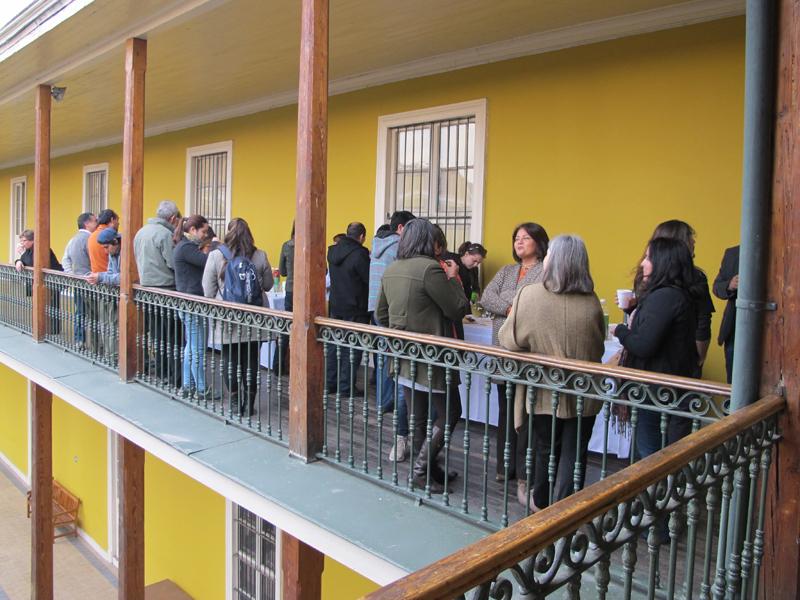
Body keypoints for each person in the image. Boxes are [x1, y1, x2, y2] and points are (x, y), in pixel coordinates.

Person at [498, 235, 605, 510]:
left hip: (544, 389)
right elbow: (598, 345)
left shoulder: (530, 295)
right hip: (584, 390)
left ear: (553, 261)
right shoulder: (592, 301)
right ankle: (567, 509)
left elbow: (508, 340)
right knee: (575, 453)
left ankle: (543, 505)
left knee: (546, 448)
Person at [377, 219, 469, 493]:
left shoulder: (392, 268)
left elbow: (381, 314)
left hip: (404, 354)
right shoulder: (431, 269)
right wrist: (454, 278)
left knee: (418, 418)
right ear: (430, 242)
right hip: (432, 357)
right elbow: (457, 308)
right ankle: (420, 470)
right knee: (451, 413)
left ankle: (428, 468)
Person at [614, 237, 698, 460]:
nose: (642, 263)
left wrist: (621, 331)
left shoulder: (665, 297)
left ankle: (655, 493)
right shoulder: (673, 294)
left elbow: (643, 345)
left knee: (650, 453)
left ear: (664, 262)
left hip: (656, 388)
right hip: (662, 387)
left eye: (649, 257)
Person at [480, 222, 549, 482]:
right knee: (505, 409)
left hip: (527, 349)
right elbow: (486, 297)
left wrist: (508, 299)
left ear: (539, 243)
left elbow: (537, 301)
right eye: (516, 238)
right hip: (502, 348)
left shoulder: (547, 270)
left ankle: (523, 469)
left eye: (525, 238)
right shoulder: (507, 270)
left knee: (526, 411)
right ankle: (503, 466)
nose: (519, 242)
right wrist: (513, 305)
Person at [202, 218, 273, 416]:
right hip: (254, 318)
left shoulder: (217, 255)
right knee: (251, 361)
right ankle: (249, 404)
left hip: (228, 318)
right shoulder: (259, 255)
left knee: (229, 361)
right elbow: (267, 285)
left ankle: (234, 402)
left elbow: (208, 290)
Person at [627, 220, 714, 378]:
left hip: (669, 362)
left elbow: (702, 320)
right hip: (662, 361)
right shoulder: (654, 279)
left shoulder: (684, 284)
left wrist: (698, 357)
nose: (693, 241)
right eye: (689, 236)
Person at [368, 211, 415, 461]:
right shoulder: (398, 247)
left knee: (383, 359)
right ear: (400, 228)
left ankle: (382, 403)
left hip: (376, 308)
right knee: (396, 364)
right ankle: (394, 408)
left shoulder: (376, 245)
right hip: (393, 310)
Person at [134, 200, 183, 388]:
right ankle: (174, 377)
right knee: (173, 337)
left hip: (147, 290)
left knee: (157, 335)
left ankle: (163, 372)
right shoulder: (164, 234)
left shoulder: (141, 232)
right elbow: (172, 263)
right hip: (166, 290)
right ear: (172, 218)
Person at [326, 221, 370, 396]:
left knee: (334, 346)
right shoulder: (360, 254)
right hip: (356, 307)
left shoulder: (333, 251)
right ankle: (345, 387)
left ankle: (329, 383)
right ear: (361, 237)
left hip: (336, 304)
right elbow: (368, 279)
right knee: (352, 347)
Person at [174, 215, 212, 399]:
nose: (205, 235)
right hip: (192, 302)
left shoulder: (182, 246)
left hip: (187, 301)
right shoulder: (187, 248)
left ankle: (188, 385)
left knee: (191, 346)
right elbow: (207, 262)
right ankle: (202, 388)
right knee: (197, 347)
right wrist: (217, 246)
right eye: (203, 231)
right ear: (192, 230)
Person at [62, 212, 97, 348]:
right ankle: (95, 344)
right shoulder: (91, 239)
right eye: (95, 221)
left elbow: (65, 259)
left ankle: (79, 340)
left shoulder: (73, 240)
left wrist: (72, 275)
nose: (97, 223)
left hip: (78, 282)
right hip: (90, 281)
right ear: (87, 223)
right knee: (94, 314)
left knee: (80, 312)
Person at [87, 228, 121, 363]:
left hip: (130, 298)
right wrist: (97, 277)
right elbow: (111, 272)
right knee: (107, 325)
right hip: (114, 295)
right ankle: (111, 356)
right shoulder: (113, 254)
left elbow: (126, 277)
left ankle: (116, 357)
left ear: (115, 242)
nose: (105, 252)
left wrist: (100, 277)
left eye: (107, 247)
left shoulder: (126, 252)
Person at [713, 245, 739, 383]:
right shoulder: (732, 253)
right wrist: (729, 285)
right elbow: (717, 287)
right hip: (734, 330)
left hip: (770, 330)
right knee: (733, 384)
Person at [274, 223, 295, 375]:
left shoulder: (287, 246)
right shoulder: (311, 244)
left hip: (290, 290)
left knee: (286, 328)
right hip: (307, 292)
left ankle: (278, 365)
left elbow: (282, 271)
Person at [88, 209, 119, 274]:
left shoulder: (91, 236)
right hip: (110, 278)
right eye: (117, 220)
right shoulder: (110, 237)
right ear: (112, 220)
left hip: (97, 278)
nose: (118, 223)